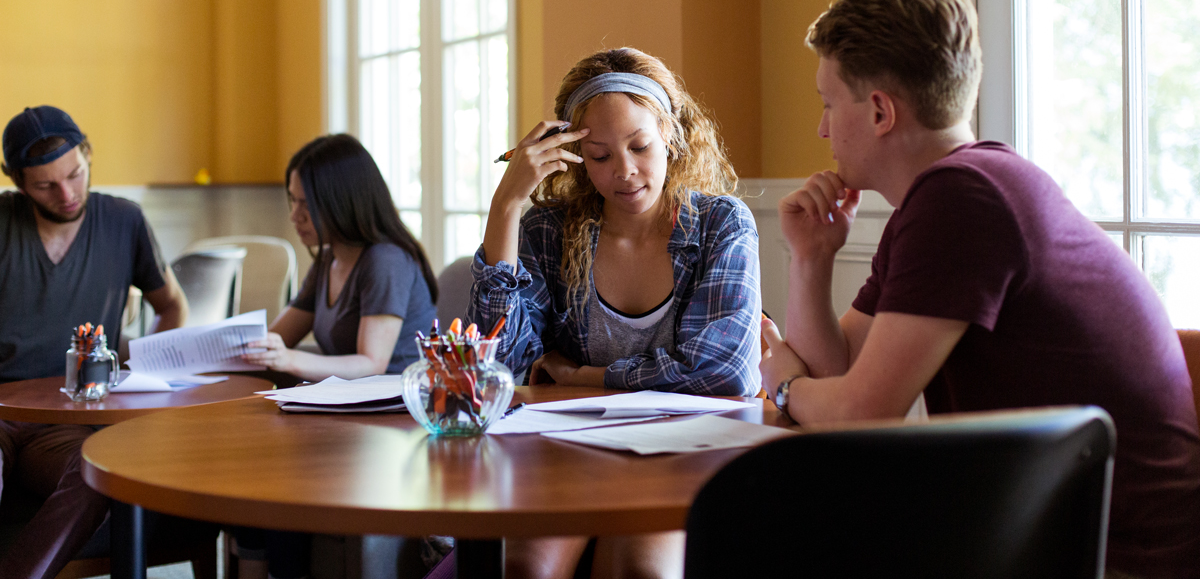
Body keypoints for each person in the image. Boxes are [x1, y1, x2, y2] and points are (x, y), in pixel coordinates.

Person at [758, 0, 1200, 579]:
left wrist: (786, 388)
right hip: (1039, 531)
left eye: (828, 104)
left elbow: (859, 415)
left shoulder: (962, 198)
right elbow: (837, 379)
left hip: (1110, 559)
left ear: (881, 110)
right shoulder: (957, 191)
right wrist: (812, 260)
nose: (822, 129)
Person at [468, 47, 761, 579]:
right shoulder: (547, 231)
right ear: (573, 157)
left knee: (642, 570)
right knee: (527, 568)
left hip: (681, 453)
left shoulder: (721, 224)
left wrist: (587, 377)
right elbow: (499, 367)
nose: (625, 172)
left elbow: (724, 374)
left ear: (671, 133)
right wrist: (506, 207)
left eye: (640, 146)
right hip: (569, 454)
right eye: (599, 156)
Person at [236, 133, 439, 579]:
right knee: (249, 461)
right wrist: (236, 347)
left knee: (274, 470)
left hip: (394, 419)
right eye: (292, 201)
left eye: (306, 204)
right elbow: (278, 335)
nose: (295, 216)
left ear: (342, 200)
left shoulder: (386, 259)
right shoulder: (328, 259)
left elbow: (371, 361)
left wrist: (287, 360)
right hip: (345, 412)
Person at [0, 105, 188, 579]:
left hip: (69, 419)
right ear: (19, 183)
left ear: (87, 155)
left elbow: (172, 306)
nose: (66, 194)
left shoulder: (124, 221)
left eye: (75, 174)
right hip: (0, 410)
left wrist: (137, 372)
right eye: (45, 185)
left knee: (97, 472)